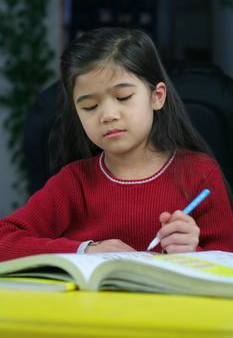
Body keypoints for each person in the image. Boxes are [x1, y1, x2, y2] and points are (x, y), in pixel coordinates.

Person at [0, 27, 232, 262]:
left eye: (123, 98)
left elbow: (227, 261)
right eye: (90, 106)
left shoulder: (200, 174)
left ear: (157, 97)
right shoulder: (74, 182)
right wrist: (85, 251)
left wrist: (191, 252)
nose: (108, 115)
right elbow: (3, 241)